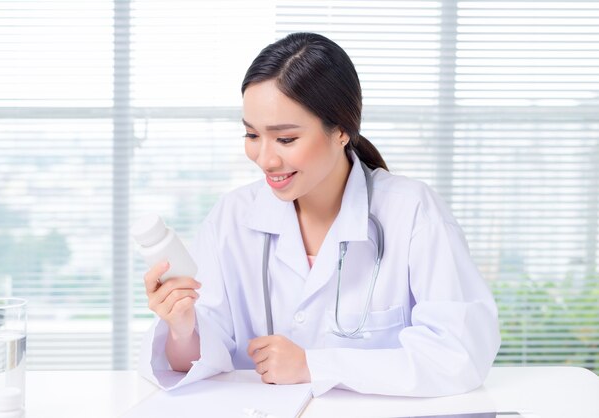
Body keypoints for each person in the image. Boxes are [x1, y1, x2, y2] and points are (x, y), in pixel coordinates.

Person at [138, 32, 500, 397]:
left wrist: (314, 365)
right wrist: (182, 326)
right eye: (251, 135)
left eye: (286, 139)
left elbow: (459, 355)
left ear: (341, 130)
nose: (265, 159)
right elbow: (195, 361)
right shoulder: (232, 217)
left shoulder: (412, 212)